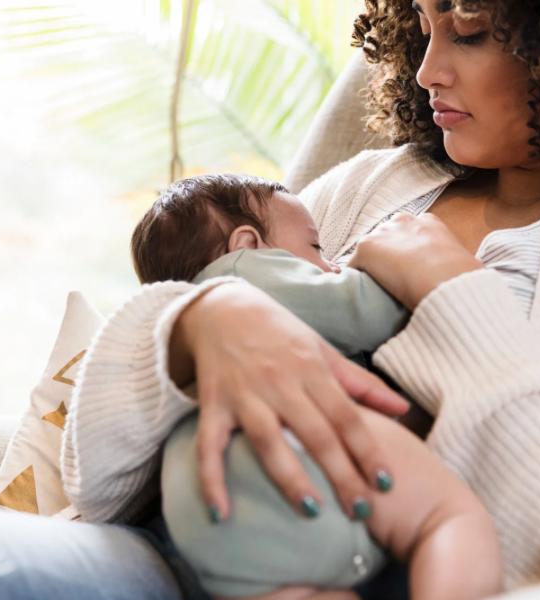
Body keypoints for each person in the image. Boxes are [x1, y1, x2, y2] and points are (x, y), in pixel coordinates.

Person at [0, 0, 540, 598]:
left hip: (351, 578)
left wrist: (453, 297)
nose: (426, 70)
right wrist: (200, 322)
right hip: (175, 554)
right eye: (424, 25)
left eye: (469, 31)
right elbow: (98, 480)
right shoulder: (372, 185)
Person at [129, 171, 502, 599]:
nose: (332, 265)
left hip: (204, 508)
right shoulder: (244, 275)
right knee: (448, 517)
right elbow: (367, 310)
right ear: (247, 244)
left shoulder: (174, 323)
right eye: (316, 248)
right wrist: (403, 261)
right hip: (294, 450)